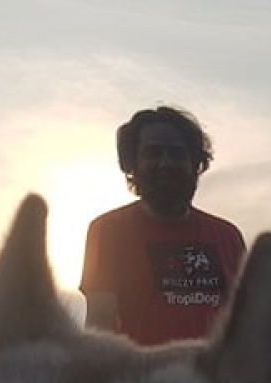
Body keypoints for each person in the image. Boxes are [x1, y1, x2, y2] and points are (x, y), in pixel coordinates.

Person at [80, 106, 247, 345]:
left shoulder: (227, 236)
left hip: (212, 381)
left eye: (177, 154)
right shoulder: (109, 231)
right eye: (153, 153)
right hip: (141, 380)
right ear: (132, 165)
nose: (165, 164)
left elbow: (247, 326)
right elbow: (99, 327)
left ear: (196, 164)